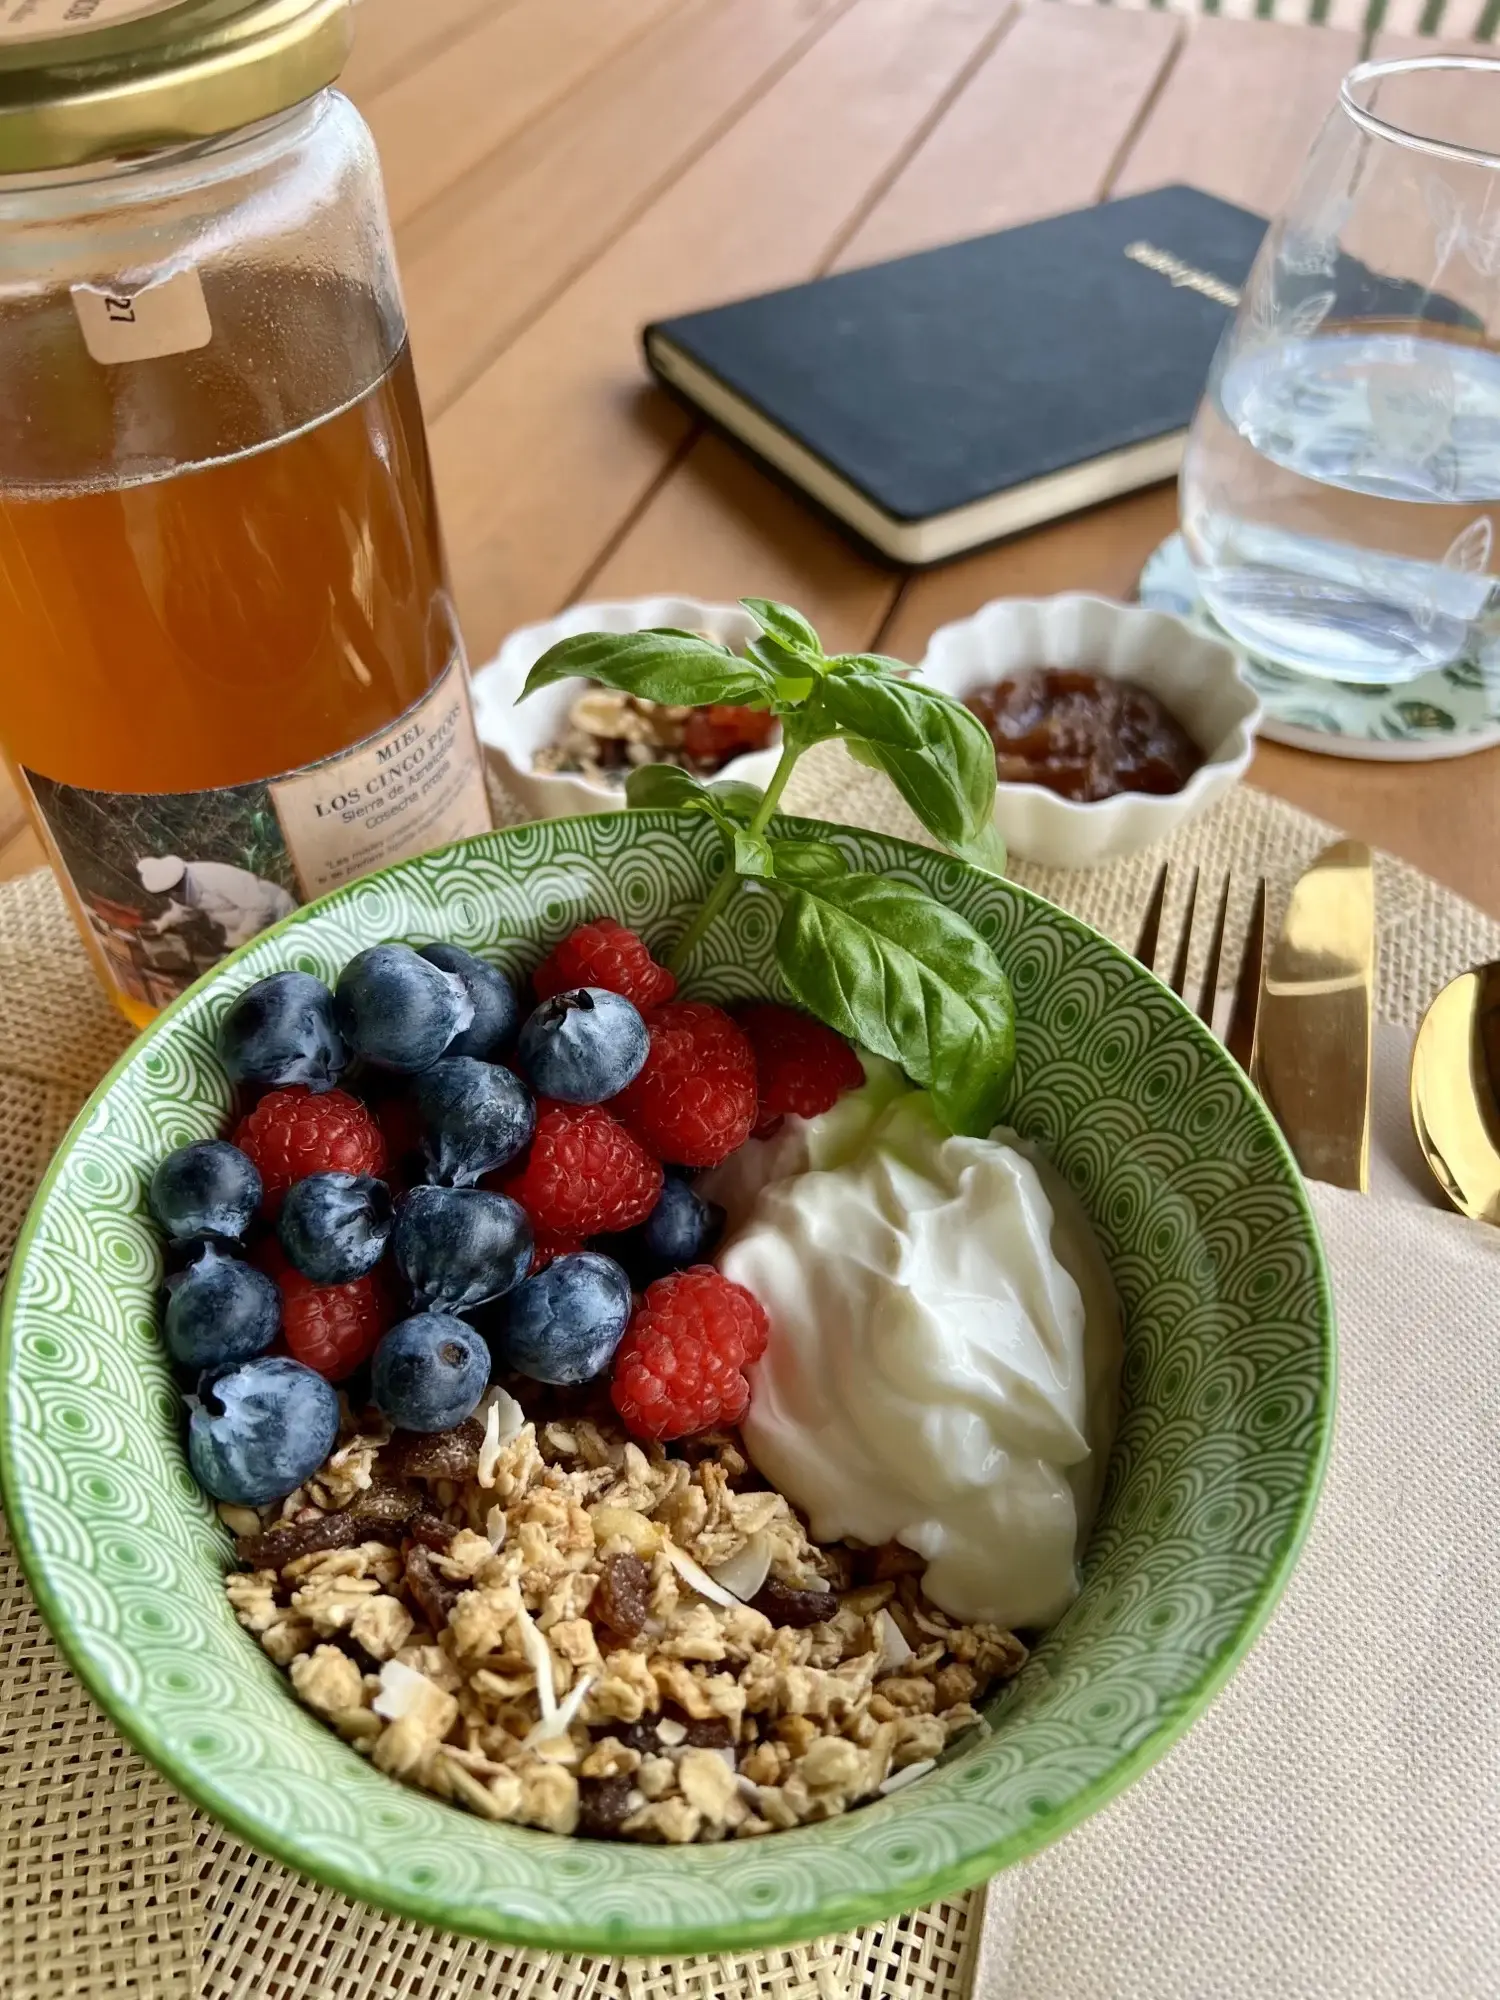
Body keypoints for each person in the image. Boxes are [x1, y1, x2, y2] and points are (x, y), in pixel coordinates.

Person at [136, 854, 296, 951]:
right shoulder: (177, 887)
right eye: (164, 893)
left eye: (171, 889)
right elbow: (186, 910)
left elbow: (260, 906)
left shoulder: (215, 877)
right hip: (240, 927)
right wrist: (163, 923)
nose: (171, 894)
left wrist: (242, 937)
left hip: (277, 914)